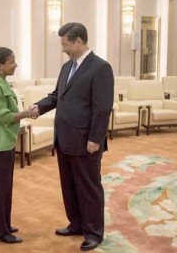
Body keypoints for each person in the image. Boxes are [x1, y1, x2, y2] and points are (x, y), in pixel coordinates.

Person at [30, 22, 114, 251]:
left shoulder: (101, 68)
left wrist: (95, 139)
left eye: (66, 44)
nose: (63, 49)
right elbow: (57, 95)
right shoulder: (67, 67)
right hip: (64, 138)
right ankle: (76, 224)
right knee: (69, 185)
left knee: (89, 187)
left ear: (78, 41)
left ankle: (94, 232)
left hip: (86, 141)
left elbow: (102, 108)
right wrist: (39, 106)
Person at [0, 47, 37, 244]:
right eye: (12, 62)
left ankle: (2, 223)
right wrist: (27, 113)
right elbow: (4, 117)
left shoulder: (0, 81)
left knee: (5, 187)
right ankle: (0, 231)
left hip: (4, 141)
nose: (16, 65)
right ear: (0, 65)